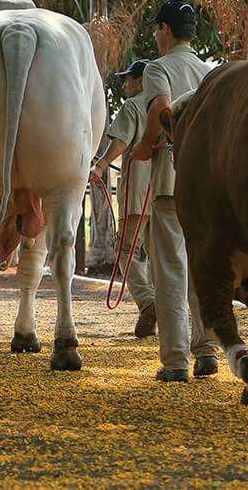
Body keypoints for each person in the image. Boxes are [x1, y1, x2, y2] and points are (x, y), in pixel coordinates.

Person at [131, 0, 220, 383]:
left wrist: (144, 145)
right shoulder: (211, 71)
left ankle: (175, 360)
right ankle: (208, 349)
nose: (155, 35)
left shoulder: (158, 68)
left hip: (170, 178)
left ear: (165, 30)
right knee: (202, 267)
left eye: (156, 28)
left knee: (169, 269)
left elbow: (162, 110)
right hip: (211, 183)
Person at [89, 59, 157, 338]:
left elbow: (120, 142)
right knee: (160, 257)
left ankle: (149, 304)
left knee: (125, 252)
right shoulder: (164, 105)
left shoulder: (133, 106)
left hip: (138, 192)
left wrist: (100, 166)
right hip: (164, 192)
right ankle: (163, 312)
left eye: (129, 79)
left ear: (141, 81)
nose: (125, 84)